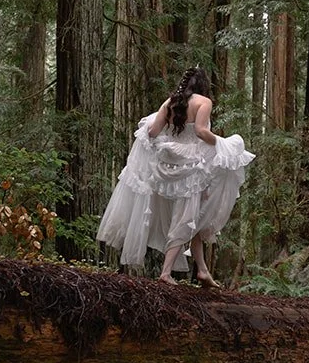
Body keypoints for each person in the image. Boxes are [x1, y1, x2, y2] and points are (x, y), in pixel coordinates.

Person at [97, 67, 255, 285]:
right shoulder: (204, 102)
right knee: (186, 218)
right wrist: (221, 143)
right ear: (203, 84)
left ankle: (202, 270)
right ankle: (165, 272)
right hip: (192, 169)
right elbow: (200, 131)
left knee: (194, 216)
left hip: (168, 167)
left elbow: (152, 132)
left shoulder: (170, 102)